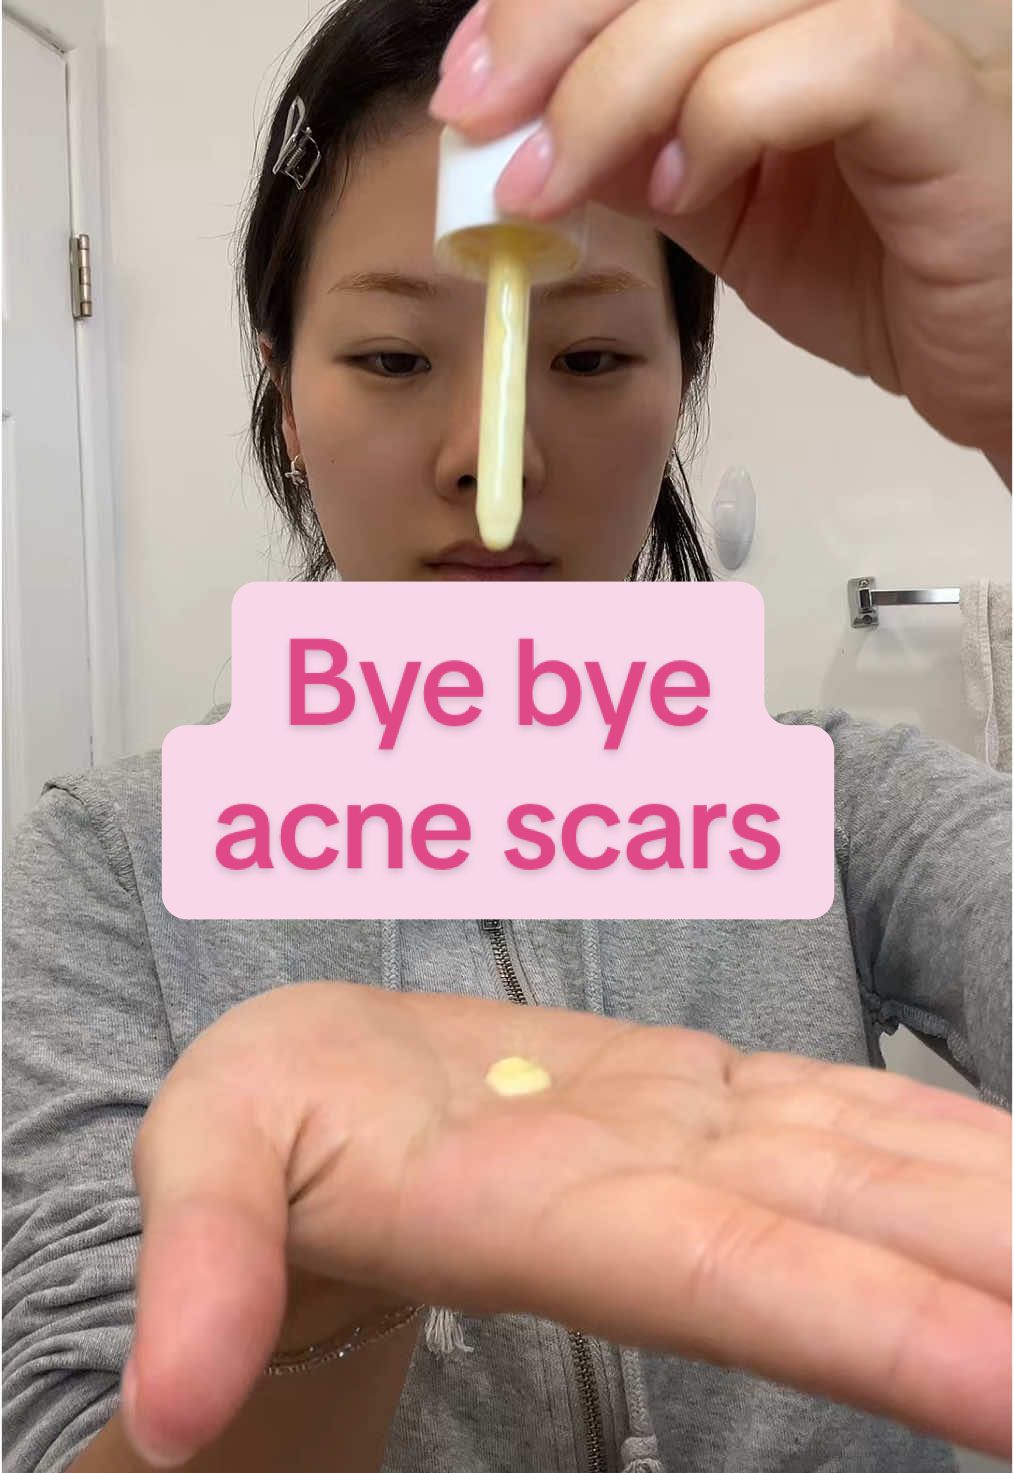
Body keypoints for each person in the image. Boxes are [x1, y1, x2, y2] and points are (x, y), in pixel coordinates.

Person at [3, 0, 1011, 1469]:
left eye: (588, 359)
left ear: (679, 388)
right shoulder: (103, 871)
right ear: (285, 397)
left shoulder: (840, 803)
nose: (495, 466)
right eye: (392, 358)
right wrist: (323, 1272)